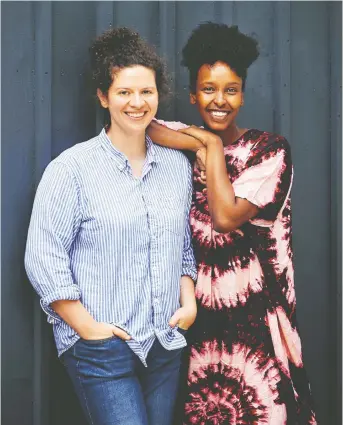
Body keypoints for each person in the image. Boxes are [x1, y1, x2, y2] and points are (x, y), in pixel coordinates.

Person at [24, 27, 197, 425]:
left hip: (164, 341)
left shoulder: (175, 167)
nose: (137, 103)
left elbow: (182, 246)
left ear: (158, 94)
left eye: (146, 92)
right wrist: (89, 328)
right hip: (102, 347)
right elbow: (43, 257)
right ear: (104, 97)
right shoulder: (72, 169)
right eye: (124, 92)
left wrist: (187, 304)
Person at [148, 22, 317, 425]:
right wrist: (203, 140)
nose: (219, 99)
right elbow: (144, 124)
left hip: (258, 321)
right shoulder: (187, 140)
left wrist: (209, 146)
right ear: (193, 95)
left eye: (230, 89)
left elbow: (225, 216)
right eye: (208, 88)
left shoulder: (270, 152)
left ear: (242, 95)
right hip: (199, 321)